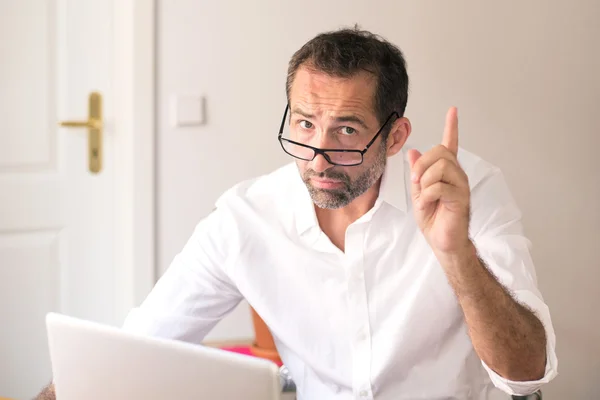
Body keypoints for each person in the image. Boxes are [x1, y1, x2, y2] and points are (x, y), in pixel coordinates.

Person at [36, 27, 557, 400]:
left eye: (347, 131)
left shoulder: (466, 190)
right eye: (305, 125)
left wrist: (455, 252)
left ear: (395, 136)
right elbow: (141, 345)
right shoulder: (246, 218)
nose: (317, 156)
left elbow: (526, 373)